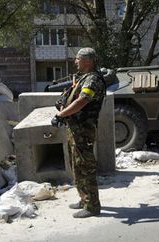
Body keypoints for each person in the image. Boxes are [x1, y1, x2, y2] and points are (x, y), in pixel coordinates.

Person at [51, 47, 106, 218]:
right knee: (77, 165)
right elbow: (74, 99)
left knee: (85, 166)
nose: (75, 61)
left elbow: (83, 101)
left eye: (77, 59)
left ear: (88, 60)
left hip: (83, 129)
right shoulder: (83, 78)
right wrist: (63, 104)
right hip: (75, 128)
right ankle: (84, 199)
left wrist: (61, 114)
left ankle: (92, 207)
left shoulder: (93, 80)